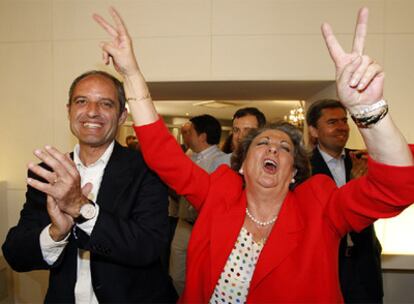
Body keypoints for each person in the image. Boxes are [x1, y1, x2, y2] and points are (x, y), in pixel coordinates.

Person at [93, 7, 414, 303]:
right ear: (243, 167)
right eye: (261, 144)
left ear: (293, 173)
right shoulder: (218, 193)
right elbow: (162, 153)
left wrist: (367, 109)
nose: (273, 147)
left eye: (285, 148)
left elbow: (395, 187)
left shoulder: (320, 206)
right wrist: (131, 72)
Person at [2, 70, 177, 303]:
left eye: (106, 104)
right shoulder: (50, 172)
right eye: (81, 101)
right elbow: (15, 254)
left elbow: (149, 246)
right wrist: (56, 233)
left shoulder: (146, 169)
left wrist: (83, 209)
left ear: (122, 116)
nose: (92, 111)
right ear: (69, 111)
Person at [306, 99, 383, 303]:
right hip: (326, 266)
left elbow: (377, 209)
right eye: (332, 122)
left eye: (344, 121)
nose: (341, 127)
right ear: (313, 131)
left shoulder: (363, 160)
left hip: (364, 264)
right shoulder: (303, 168)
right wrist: (354, 188)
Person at [170, 114, 227, 294]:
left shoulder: (223, 161)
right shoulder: (188, 159)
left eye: (190, 132)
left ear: (202, 136)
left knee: (202, 276)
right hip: (183, 223)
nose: (187, 137)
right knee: (176, 275)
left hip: (207, 227)